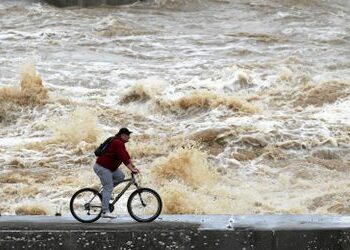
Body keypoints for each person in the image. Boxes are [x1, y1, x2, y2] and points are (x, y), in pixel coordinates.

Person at [93, 127, 140, 218]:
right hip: (102, 167)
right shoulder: (117, 142)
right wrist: (131, 169)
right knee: (108, 187)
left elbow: (126, 155)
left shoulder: (120, 143)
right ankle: (104, 212)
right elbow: (123, 158)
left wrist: (133, 166)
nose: (129, 138)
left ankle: (104, 194)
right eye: (127, 135)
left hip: (110, 168)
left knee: (120, 176)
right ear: (122, 135)